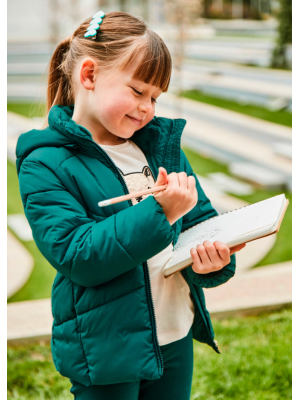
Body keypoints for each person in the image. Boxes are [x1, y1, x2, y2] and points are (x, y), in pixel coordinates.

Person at [16, 11, 245, 400]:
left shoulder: (160, 147)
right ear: (88, 75)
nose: (148, 108)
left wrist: (214, 260)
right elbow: (77, 254)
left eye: (155, 97)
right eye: (138, 91)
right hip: (106, 351)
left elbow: (201, 222)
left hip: (176, 333)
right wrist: (161, 213)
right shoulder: (45, 162)